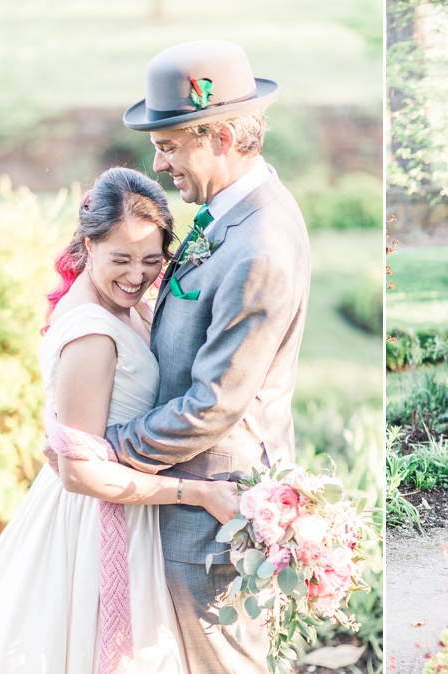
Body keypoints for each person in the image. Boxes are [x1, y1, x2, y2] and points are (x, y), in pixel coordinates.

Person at [0, 167, 243, 672]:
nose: (136, 275)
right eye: (121, 259)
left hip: (128, 505)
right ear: (88, 244)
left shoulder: (122, 305)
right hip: (94, 523)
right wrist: (197, 492)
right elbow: (79, 472)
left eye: (152, 260)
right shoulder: (92, 334)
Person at [103, 40, 310, 672]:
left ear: (221, 136)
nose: (159, 164)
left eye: (169, 144)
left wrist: (107, 449)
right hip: (192, 501)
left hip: (214, 518)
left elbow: (212, 404)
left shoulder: (259, 244)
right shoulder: (227, 219)